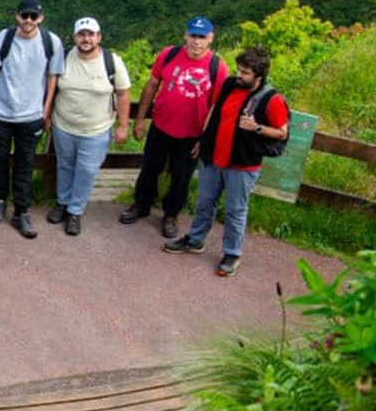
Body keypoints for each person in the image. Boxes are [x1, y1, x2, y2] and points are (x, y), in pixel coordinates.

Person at [164, 47, 289, 277]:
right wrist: (204, 140)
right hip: (215, 158)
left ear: (259, 76)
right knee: (204, 202)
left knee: (235, 210)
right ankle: (195, 239)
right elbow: (215, 111)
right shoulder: (230, 85)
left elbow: (282, 133)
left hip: (242, 164)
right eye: (239, 70)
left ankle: (232, 253)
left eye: (245, 72)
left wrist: (257, 127)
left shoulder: (273, 99)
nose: (239, 75)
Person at [123, 16, 228, 238]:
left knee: (181, 176)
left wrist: (205, 139)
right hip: (161, 126)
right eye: (193, 36)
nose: (196, 42)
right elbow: (152, 85)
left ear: (210, 39)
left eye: (202, 37)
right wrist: (140, 119)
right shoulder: (169, 54)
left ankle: (171, 214)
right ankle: (141, 204)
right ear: (185, 36)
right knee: (149, 168)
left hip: (192, 134)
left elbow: (217, 108)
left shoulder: (217, 67)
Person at [0, 0, 64, 238]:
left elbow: (53, 77)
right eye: (24, 15)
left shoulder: (51, 42)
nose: (28, 20)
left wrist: (45, 109)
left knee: (24, 164)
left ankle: (22, 210)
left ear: (41, 18)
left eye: (33, 16)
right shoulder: (0, 39)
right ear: (17, 16)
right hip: (0, 111)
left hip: (31, 114)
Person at [48, 17, 131, 236]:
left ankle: (75, 211)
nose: (86, 39)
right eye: (82, 34)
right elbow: (52, 86)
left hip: (96, 129)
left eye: (90, 34)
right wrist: (47, 116)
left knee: (86, 170)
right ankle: (62, 203)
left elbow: (122, 93)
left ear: (98, 37)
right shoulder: (64, 57)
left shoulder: (111, 61)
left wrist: (123, 125)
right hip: (64, 125)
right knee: (64, 165)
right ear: (75, 37)